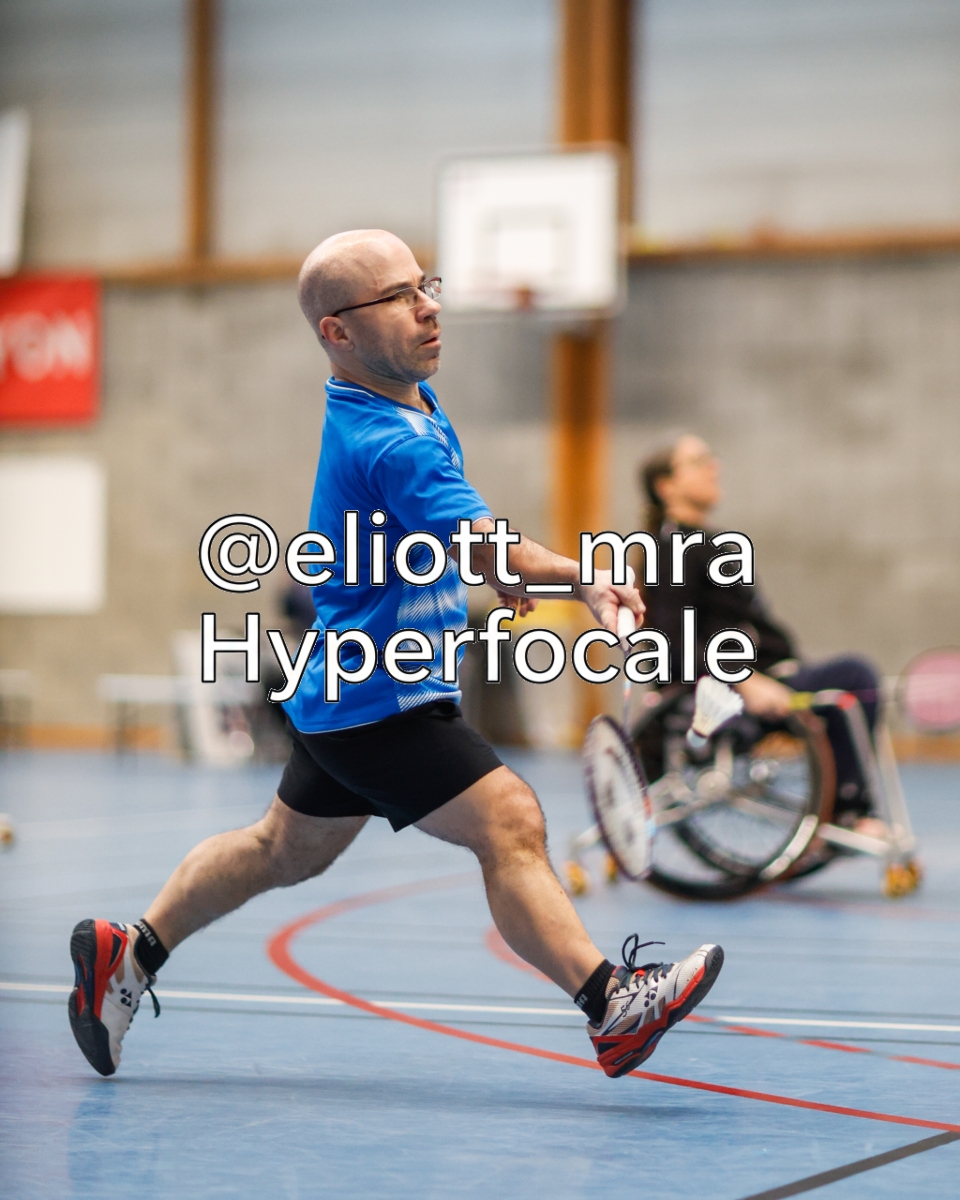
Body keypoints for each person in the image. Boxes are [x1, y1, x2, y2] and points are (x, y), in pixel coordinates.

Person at [68, 231, 722, 1082]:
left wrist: (477, 564)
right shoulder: (390, 439)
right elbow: (483, 539)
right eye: (399, 297)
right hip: (382, 701)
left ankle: (130, 953)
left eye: (426, 285)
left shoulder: (402, 399)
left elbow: (438, 531)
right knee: (510, 822)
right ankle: (612, 1008)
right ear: (337, 331)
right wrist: (583, 578)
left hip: (345, 690)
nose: (429, 307)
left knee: (282, 850)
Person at [638, 433, 881, 820]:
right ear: (666, 485)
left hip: (771, 677)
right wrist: (744, 681)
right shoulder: (672, 550)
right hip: (730, 694)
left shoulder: (707, 543)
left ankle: (841, 811)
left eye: (712, 457)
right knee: (855, 676)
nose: (714, 467)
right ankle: (849, 812)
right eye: (698, 462)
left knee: (849, 686)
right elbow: (671, 643)